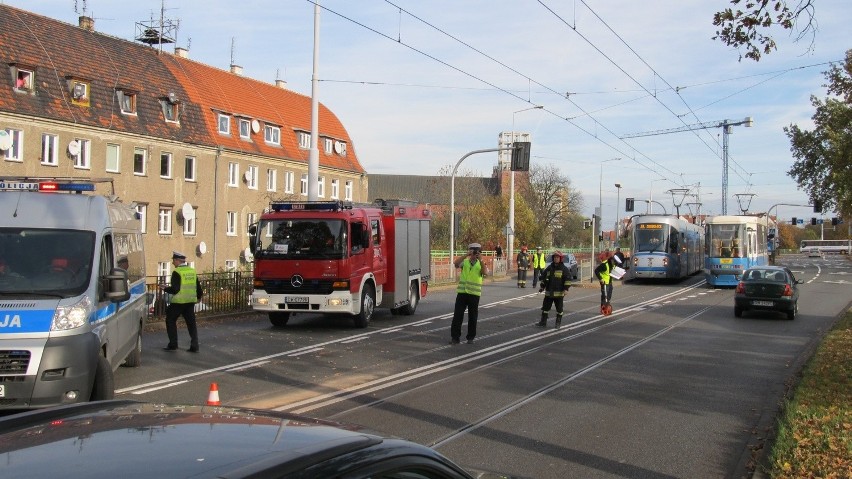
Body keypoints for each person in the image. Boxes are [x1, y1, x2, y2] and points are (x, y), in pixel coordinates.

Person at [161, 251, 203, 353]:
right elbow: (198, 286)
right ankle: (195, 346)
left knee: (170, 320)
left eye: (173, 261)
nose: (172, 263)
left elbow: (176, 289)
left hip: (179, 302)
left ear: (177, 260)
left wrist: (165, 288)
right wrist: (199, 296)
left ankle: (173, 344)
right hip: (190, 301)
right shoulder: (192, 271)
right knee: (191, 323)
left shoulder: (177, 272)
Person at [450, 243, 487, 345]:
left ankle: (470, 337)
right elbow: (456, 263)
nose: (475, 254)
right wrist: (466, 255)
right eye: (473, 251)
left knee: (473, 316)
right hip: (462, 293)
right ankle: (455, 338)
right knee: (457, 316)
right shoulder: (465, 262)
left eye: (477, 252)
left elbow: (485, 272)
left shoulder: (481, 263)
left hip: (474, 294)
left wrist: (481, 260)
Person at [537, 251, 572, 328]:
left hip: (559, 293)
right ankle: (543, 322)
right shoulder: (550, 268)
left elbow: (568, 279)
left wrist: (566, 289)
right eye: (555, 257)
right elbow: (545, 277)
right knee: (545, 308)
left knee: (559, 309)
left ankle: (558, 323)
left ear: (560, 259)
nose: (556, 259)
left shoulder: (564, 269)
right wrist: (542, 286)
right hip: (549, 292)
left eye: (557, 257)